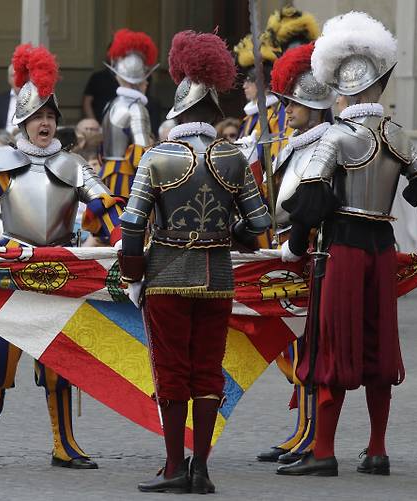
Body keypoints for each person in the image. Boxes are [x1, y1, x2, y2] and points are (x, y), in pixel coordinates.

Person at [0, 44, 123, 470]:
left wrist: (127, 242)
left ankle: (64, 444)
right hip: (14, 268)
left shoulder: (74, 165)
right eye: (37, 117)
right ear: (23, 123)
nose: (45, 123)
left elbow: (106, 208)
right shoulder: (1, 161)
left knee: (61, 362)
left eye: (50, 116)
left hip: (62, 268)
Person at [277, 11, 417, 477]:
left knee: (333, 344)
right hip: (381, 245)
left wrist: (296, 244)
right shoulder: (398, 134)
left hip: (341, 248)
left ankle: (323, 450)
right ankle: (377, 448)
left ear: (344, 92)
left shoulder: (335, 136)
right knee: (377, 344)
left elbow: (307, 202)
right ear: (378, 89)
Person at [118, 30, 271, 494]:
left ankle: (172, 467)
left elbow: (131, 227)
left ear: (180, 114)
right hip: (217, 279)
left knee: (171, 372)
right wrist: (232, 237)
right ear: (212, 116)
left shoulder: (158, 158)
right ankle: (201, 467)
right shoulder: (232, 158)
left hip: (165, 276)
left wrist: (133, 275)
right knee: (208, 371)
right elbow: (260, 220)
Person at [254, 41, 336, 466]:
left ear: (312, 103)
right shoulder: (296, 142)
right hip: (286, 248)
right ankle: (302, 429)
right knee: (293, 347)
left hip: (307, 253)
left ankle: (310, 433)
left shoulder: (323, 145)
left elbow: (308, 203)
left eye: (293, 103)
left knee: (308, 347)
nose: (287, 109)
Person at [101, 29, 157, 199]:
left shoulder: (111, 104)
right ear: (140, 79)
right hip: (127, 179)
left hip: (107, 171)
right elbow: (142, 154)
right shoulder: (136, 107)